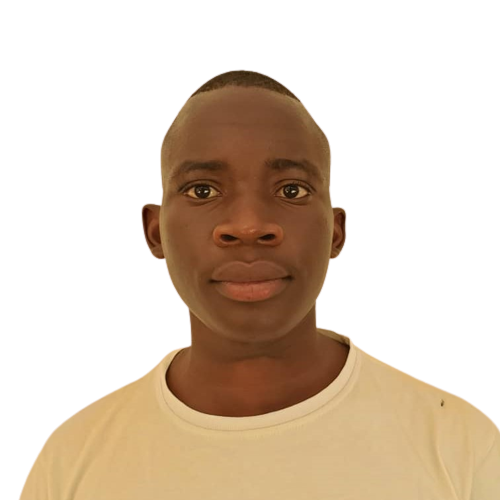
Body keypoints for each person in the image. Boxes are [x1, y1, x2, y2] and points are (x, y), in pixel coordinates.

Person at [20, 70, 499, 499]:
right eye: (202, 190)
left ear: (335, 232)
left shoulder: (462, 449)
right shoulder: (72, 463)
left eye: (291, 190)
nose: (248, 226)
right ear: (155, 231)